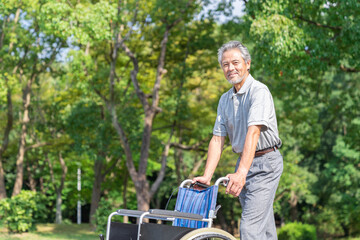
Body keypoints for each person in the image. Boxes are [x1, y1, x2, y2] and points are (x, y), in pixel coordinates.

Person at [193, 40, 283, 240]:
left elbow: (254, 132)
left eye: (235, 62)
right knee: (264, 230)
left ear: (247, 63)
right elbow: (218, 139)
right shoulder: (225, 99)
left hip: (266, 163)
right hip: (244, 162)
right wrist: (207, 176)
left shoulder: (259, 92)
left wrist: (241, 173)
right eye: (225, 64)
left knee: (250, 229)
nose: (230, 68)